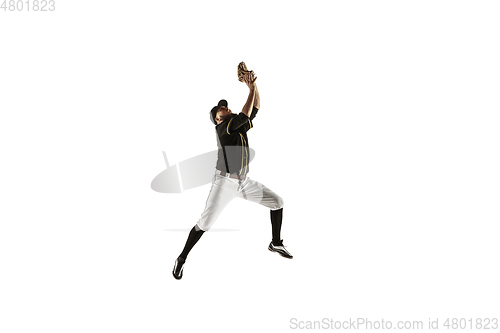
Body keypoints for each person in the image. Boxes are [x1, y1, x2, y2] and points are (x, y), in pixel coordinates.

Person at [172, 72, 292, 280]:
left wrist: (255, 88)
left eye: (225, 105)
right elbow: (245, 114)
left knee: (277, 202)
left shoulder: (236, 125)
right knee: (204, 223)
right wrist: (251, 87)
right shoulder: (223, 129)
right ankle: (181, 258)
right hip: (224, 183)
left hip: (244, 183)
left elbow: (254, 110)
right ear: (218, 118)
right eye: (221, 108)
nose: (225, 107)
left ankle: (276, 243)